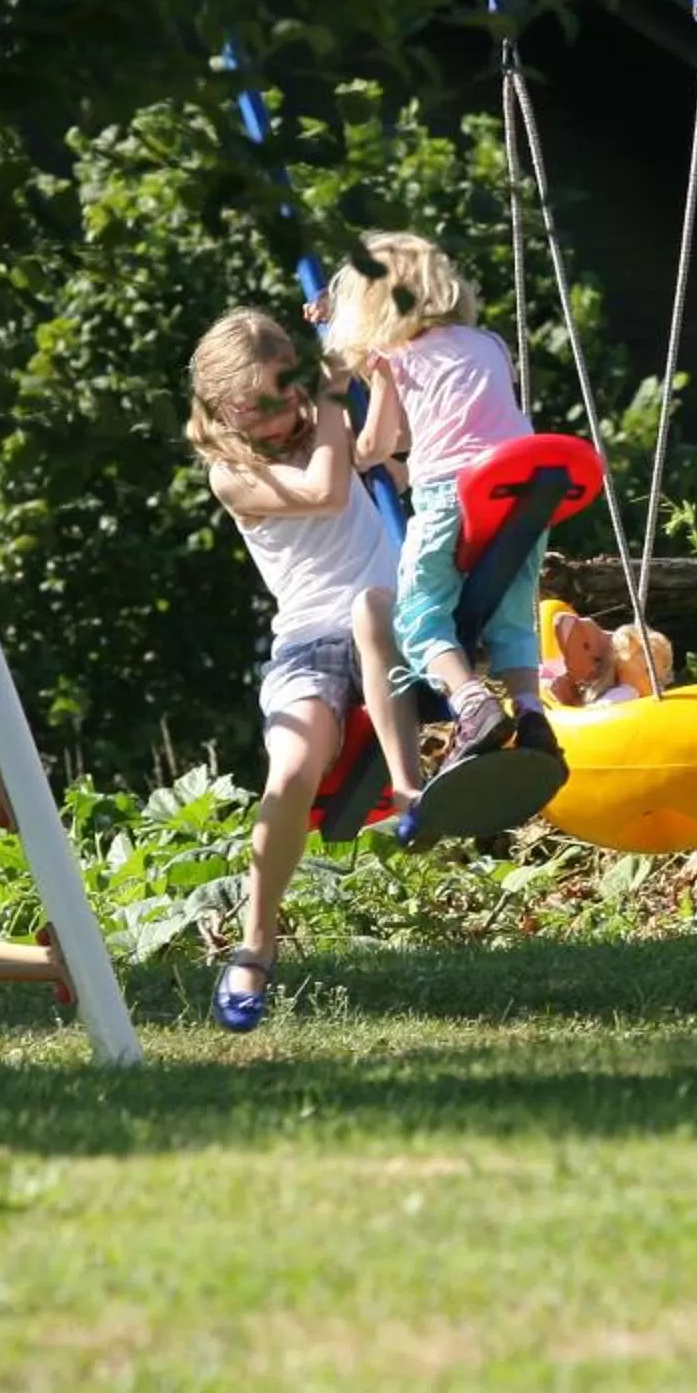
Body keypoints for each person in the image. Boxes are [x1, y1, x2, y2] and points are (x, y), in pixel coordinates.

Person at [184, 307, 415, 1031]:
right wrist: (331, 401)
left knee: (389, 613)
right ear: (223, 408)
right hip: (310, 643)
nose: (282, 418)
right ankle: (255, 943)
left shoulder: (326, 418)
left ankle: (419, 792)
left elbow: (389, 446)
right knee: (289, 770)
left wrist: (359, 357)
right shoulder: (233, 472)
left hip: (394, 623)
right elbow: (327, 491)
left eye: (288, 397)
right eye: (261, 408)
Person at [325, 233, 557, 814]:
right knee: (512, 608)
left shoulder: (395, 358)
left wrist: (353, 430)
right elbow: (457, 420)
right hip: (522, 487)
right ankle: (530, 711)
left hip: (451, 491)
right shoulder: (489, 344)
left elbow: (379, 444)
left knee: (417, 611)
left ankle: (471, 699)